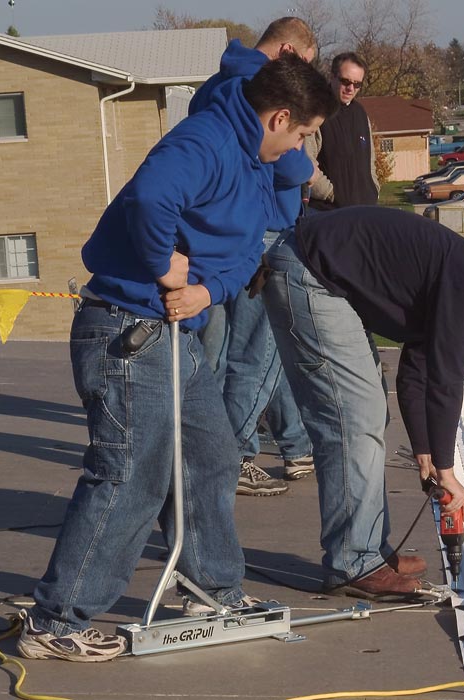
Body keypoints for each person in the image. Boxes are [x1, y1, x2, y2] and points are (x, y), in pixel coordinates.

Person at [16, 54, 337, 662]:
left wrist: (205, 292)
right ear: (279, 116)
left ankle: (210, 588)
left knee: (210, 453)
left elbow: (251, 249)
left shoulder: (263, 161)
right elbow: (150, 201)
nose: (302, 149)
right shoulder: (207, 141)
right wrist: (164, 267)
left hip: (174, 331)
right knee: (132, 472)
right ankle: (56, 619)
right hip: (125, 328)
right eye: (300, 133)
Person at [262, 206, 464, 599]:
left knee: (370, 412)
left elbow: (415, 372)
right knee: (354, 419)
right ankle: (355, 562)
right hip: (308, 272)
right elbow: (445, 382)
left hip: (314, 269)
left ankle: (369, 550)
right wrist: (446, 469)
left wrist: (424, 450)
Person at [190, 17, 319, 495]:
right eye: (304, 65)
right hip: (260, 231)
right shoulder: (256, 86)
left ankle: (210, 452)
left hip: (220, 231)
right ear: (287, 49)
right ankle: (234, 454)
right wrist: (305, 165)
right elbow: (284, 160)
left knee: (216, 354)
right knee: (257, 353)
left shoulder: (214, 84)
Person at [307, 52, 379, 210]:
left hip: (365, 211)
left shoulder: (360, 113)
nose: (350, 88)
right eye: (345, 81)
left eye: (357, 84)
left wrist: (373, 189)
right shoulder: (316, 110)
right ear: (332, 76)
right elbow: (306, 160)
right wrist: (331, 194)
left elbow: (370, 160)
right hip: (328, 213)